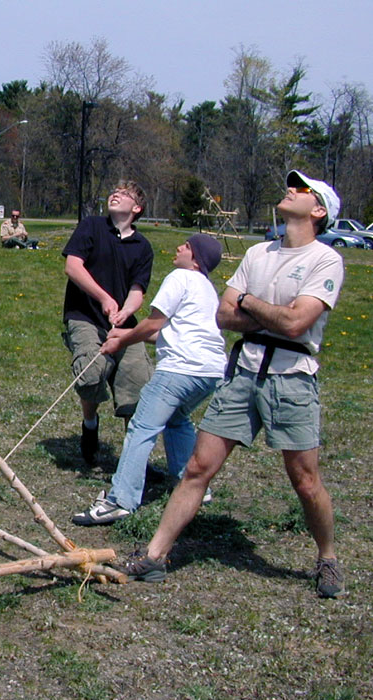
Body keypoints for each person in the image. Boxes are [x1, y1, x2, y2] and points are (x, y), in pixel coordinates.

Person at [116, 171, 348, 600]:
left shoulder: (325, 260)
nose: (291, 190)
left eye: (302, 189)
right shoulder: (258, 253)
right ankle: (155, 557)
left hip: (292, 379)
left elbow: (298, 324)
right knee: (199, 467)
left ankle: (328, 557)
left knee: (305, 480)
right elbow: (223, 317)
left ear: (318, 211)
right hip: (242, 372)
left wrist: (248, 302)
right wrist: (269, 312)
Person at [71, 233, 226, 525]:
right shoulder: (207, 288)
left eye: (187, 246)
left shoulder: (180, 277)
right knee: (177, 419)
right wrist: (125, 335)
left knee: (142, 426)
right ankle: (193, 484)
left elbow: (154, 322)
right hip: (210, 372)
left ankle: (120, 500)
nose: (179, 247)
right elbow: (171, 333)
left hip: (180, 369)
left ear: (195, 259)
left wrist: (121, 341)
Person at [62, 180, 154, 464]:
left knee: (139, 387)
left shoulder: (143, 247)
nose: (115, 194)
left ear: (136, 208)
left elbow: (138, 290)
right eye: (114, 191)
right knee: (90, 373)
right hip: (84, 316)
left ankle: (132, 461)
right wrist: (103, 298)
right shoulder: (92, 226)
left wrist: (125, 312)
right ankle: (90, 424)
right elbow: (72, 266)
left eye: (125, 194)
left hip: (123, 324)